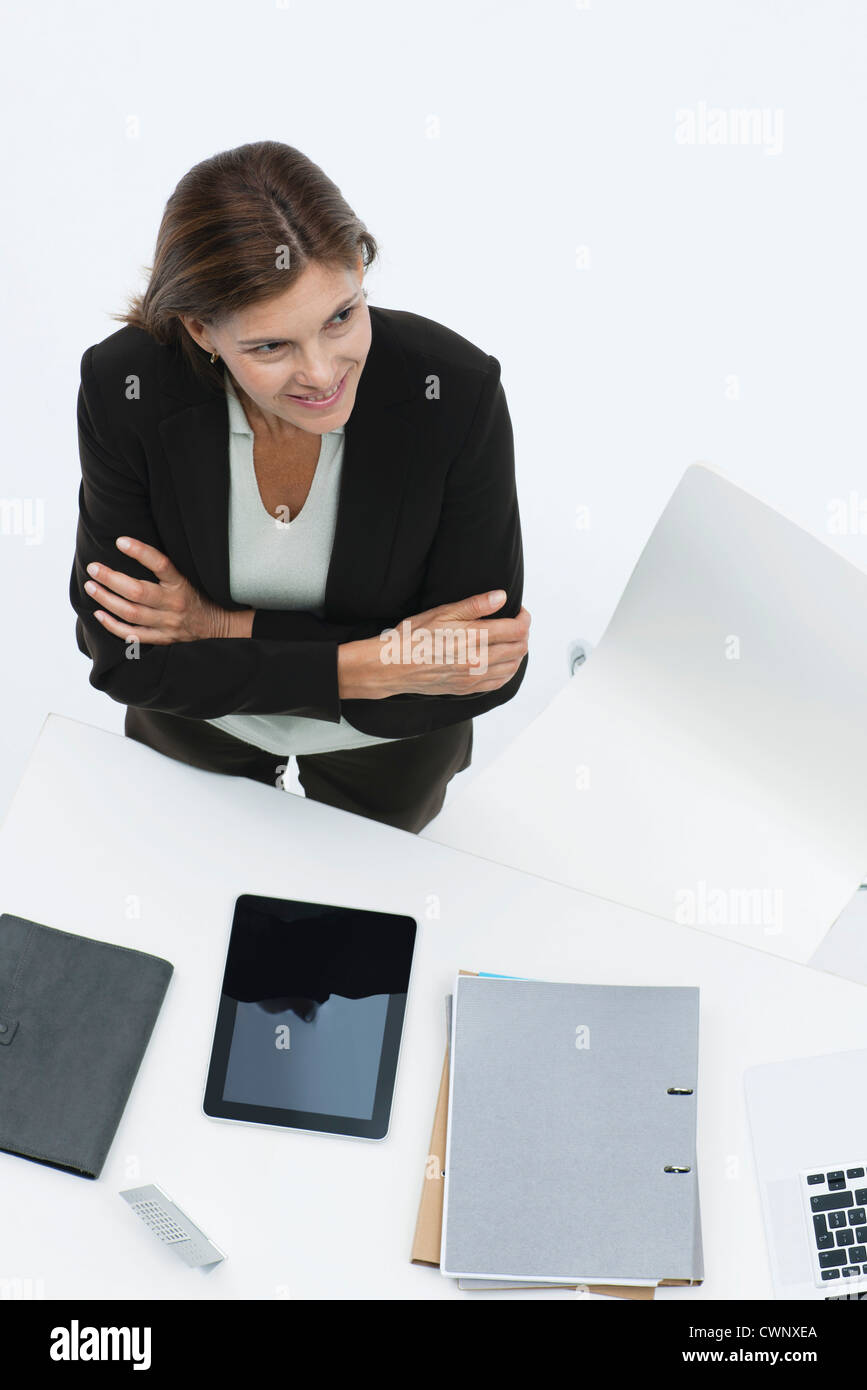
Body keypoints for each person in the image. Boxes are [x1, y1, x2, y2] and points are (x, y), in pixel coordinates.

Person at [69, 140, 530, 832]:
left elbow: (479, 663)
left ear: (359, 267)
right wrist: (366, 666)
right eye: (269, 347)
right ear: (200, 331)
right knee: (186, 898)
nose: (321, 373)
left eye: (341, 316)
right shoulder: (128, 387)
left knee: (363, 914)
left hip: (386, 746)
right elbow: (126, 661)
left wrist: (219, 627)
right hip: (199, 728)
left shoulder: (454, 392)